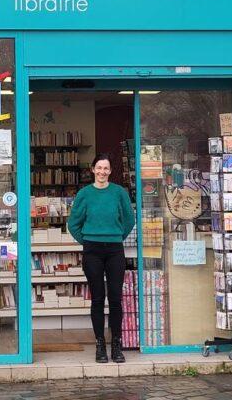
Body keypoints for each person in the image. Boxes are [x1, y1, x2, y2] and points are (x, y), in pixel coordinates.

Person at [67, 153, 135, 363]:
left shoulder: (119, 193)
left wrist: (116, 236)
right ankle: (99, 344)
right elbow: (73, 223)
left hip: (115, 249)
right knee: (97, 298)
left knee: (115, 298)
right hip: (92, 250)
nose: (102, 172)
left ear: (111, 171)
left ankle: (116, 344)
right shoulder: (84, 194)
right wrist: (87, 240)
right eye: (99, 168)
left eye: (106, 168)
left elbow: (129, 219)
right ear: (93, 170)